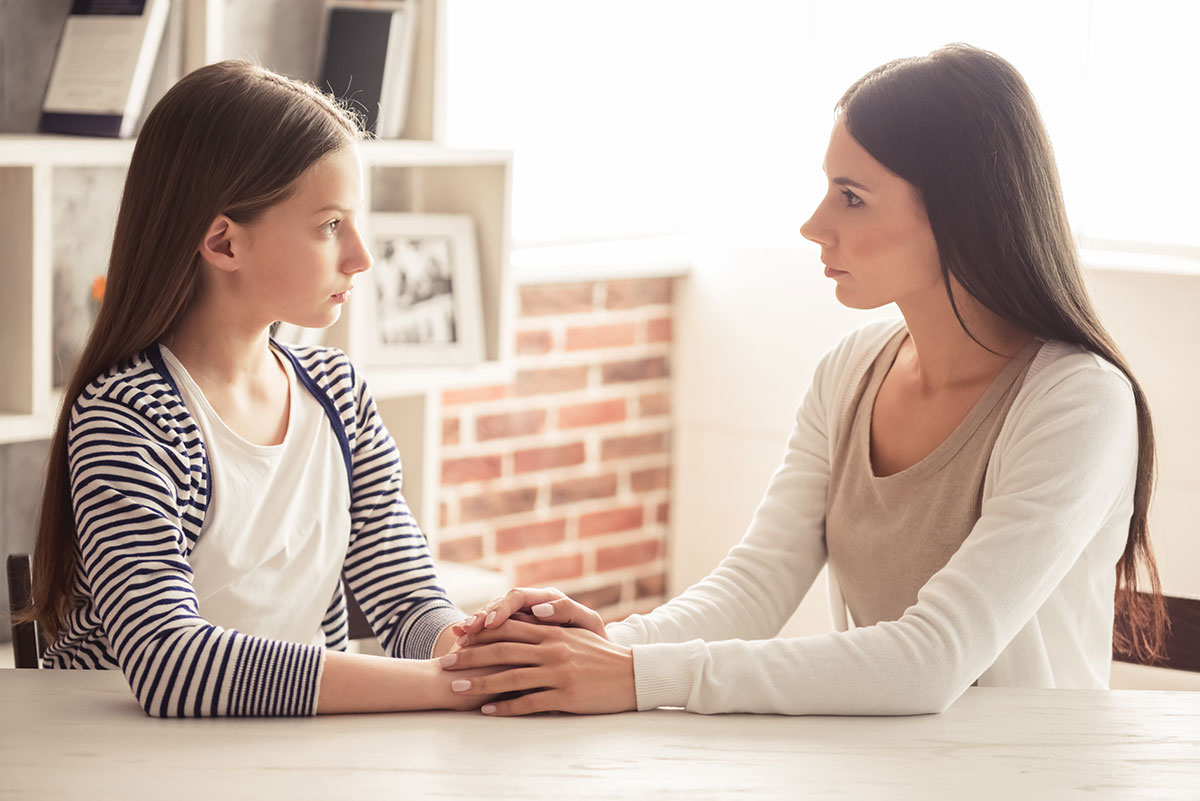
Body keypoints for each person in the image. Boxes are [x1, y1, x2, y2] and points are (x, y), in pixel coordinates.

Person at [441, 44, 1168, 717]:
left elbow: (930, 660)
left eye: (851, 197)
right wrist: (603, 641)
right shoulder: (852, 370)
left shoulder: (1078, 401)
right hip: (882, 769)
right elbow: (755, 585)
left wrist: (635, 676)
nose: (813, 225)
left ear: (961, 213)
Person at [18, 61, 496, 717]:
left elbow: (406, 596)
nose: (361, 256)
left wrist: (478, 649)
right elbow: (168, 662)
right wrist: (451, 685)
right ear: (223, 241)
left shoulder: (338, 395)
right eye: (331, 225)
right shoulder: (130, 417)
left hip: (286, 758)